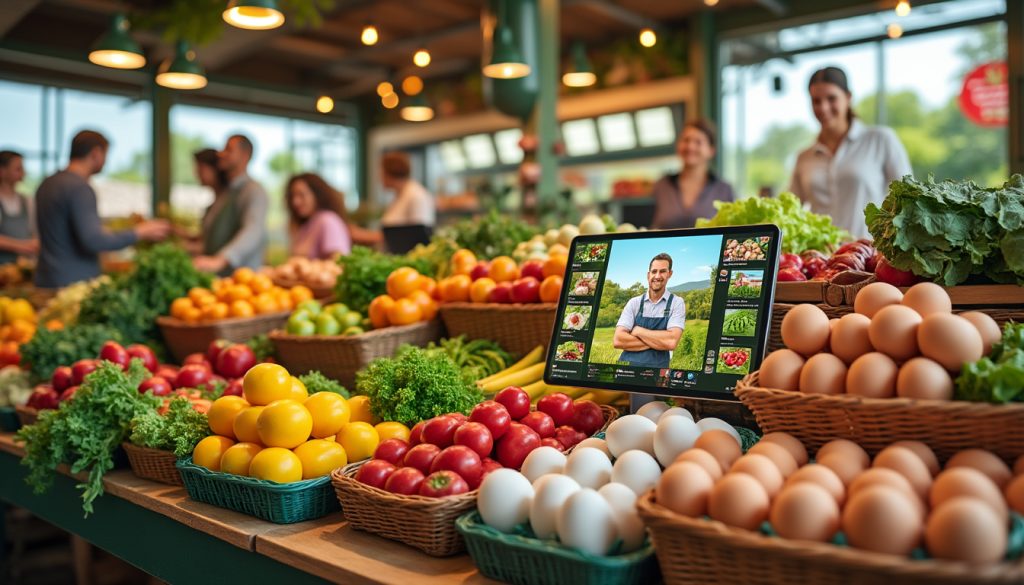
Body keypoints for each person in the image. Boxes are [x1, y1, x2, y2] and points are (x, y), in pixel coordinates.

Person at [34, 130, 170, 288]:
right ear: (96, 153)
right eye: (106, 155)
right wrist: (139, 232)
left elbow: (64, 230)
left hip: (46, 278)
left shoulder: (47, 184)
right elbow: (93, 240)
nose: (105, 161)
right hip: (73, 284)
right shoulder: (80, 188)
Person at [789, 66, 912, 239]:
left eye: (832, 98)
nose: (823, 108)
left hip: (867, 257)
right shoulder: (804, 157)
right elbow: (790, 210)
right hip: (820, 260)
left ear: (848, 97)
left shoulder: (880, 139)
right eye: (816, 101)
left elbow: (908, 200)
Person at [193, 134, 268, 274]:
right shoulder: (227, 192)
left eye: (228, 150)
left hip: (243, 281)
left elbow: (253, 230)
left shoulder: (254, 191)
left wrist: (220, 260)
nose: (221, 154)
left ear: (245, 156)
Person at [651, 120, 736, 229]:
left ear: (711, 150)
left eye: (698, 142)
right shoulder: (661, 185)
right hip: (662, 246)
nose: (690, 146)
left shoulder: (724, 190)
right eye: (686, 140)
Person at [613, 253, 686, 369]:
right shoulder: (634, 303)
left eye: (662, 271)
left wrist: (638, 331)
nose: (657, 276)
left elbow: (671, 342)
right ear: (648, 275)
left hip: (656, 373)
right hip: (625, 370)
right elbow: (618, 340)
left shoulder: (676, 303)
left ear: (669, 274)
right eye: (654, 271)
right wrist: (658, 342)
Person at [286, 173, 352, 259]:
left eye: (301, 195)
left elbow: (338, 261)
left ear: (317, 194)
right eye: (292, 196)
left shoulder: (328, 220)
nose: (295, 202)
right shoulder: (308, 224)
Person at [0, 151, 38, 263]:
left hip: (23, 267)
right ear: (2, 171)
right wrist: (22, 246)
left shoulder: (28, 200)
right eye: (18, 169)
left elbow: (33, 232)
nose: (23, 173)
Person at [379, 151, 435, 227]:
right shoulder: (400, 194)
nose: (380, 178)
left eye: (382, 173)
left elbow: (418, 233)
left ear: (390, 173)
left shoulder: (416, 195)